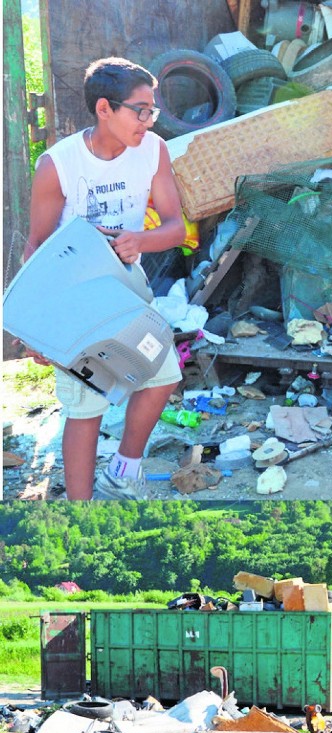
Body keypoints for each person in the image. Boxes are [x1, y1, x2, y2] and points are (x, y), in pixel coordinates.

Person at [23, 56, 186, 500]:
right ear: (104, 109)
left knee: (163, 373)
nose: (148, 121)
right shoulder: (58, 165)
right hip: (72, 301)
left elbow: (176, 227)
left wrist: (140, 241)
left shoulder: (154, 150)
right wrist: (35, 327)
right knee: (86, 408)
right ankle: (82, 516)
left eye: (152, 110)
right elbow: (36, 249)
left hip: (126, 294)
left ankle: (122, 472)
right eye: (140, 110)